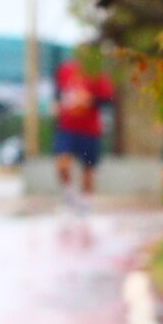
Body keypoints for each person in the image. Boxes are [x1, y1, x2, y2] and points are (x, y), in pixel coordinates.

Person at [52, 50, 113, 208]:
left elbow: (107, 99)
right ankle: (68, 193)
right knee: (62, 161)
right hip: (67, 127)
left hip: (90, 130)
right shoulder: (66, 69)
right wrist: (57, 103)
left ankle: (86, 202)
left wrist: (89, 101)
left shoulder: (98, 74)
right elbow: (58, 90)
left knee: (88, 168)